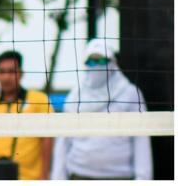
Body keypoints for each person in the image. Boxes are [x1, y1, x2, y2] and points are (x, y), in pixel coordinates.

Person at [51, 39, 152, 180]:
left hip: (119, 178)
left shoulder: (130, 93)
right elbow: (62, 143)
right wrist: (57, 179)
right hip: (80, 176)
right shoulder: (75, 97)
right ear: (85, 64)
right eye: (91, 61)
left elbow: (141, 140)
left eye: (101, 60)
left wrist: (143, 179)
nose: (96, 66)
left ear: (112, 63)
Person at [0, 50, 53, 180]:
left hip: (29, 178)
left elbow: (47, 140)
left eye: (11, 71)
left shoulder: (39, 100)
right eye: (2, 72)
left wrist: (44, 175)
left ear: (21, 73)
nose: (6, 77)